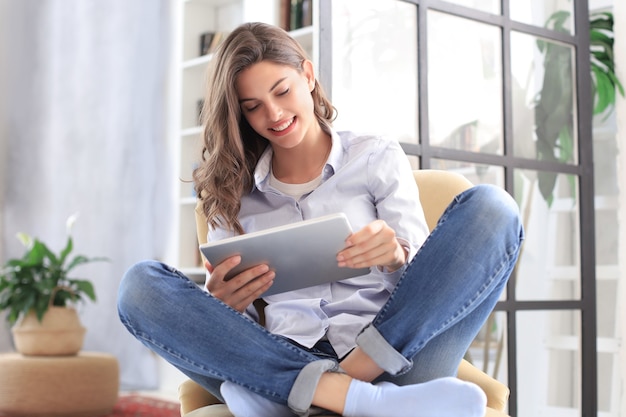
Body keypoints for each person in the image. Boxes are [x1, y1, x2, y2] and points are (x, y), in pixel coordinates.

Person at [118, 22, 524, 417]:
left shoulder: (374, 156)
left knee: (493, 209)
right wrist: (225, 304)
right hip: (282, 353)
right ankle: (347, 397)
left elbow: (427, 295)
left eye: (282, 91)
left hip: (392, 357)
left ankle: (319, 391)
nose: (274, 114)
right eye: (253, 106)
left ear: (307, 76)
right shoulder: (229, 193)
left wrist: (396, 257)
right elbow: (235, 333)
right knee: (138, 288)